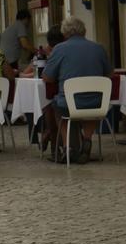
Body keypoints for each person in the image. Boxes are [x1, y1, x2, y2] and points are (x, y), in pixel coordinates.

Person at [43, 16, 113, 164]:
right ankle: (87, 140)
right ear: (84, 30)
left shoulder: (59, 49)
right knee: (90, 106)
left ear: (65, 33)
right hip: (97, 102)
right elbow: (109, 74)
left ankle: (68, 147)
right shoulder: (98, 48)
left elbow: (47, 78)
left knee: (57, 107)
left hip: (69, 103)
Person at [18, 25, 65, 150]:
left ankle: (49, 133)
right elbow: (30, 72)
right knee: (47, 103)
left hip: (61, 97)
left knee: (49, 105)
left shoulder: (58, 54)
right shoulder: (41, 55)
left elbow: (42, 76)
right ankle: (49, 134)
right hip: (63, 96)